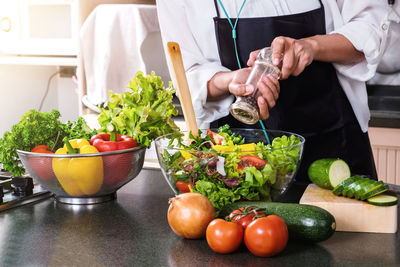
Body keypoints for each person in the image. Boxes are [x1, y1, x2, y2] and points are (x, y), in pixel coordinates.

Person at [156, 0, 388, 181]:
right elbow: (186, 72)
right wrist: (230, 81)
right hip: (236, 163)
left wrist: (310, 46)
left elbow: (370, 27)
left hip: (336, 143)